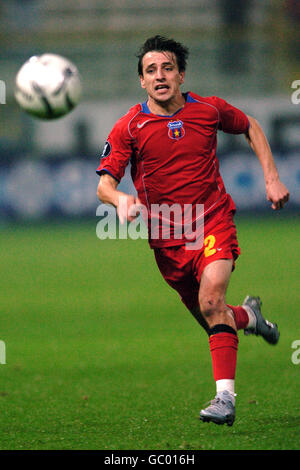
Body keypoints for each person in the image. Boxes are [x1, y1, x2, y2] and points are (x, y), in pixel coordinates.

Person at [96, 35, 289, 426]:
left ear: (181, 74)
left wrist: (271, 178)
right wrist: (119, 200)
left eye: (167, 68)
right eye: (151, 70)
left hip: (213, 221)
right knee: (214, 315)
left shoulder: (209, 110)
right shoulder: (129, 127)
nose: (160, 76)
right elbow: (104, 184)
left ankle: (224, 399)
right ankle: (250, 317)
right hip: (167, 243)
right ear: (142, 82)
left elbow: (250, 126)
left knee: (211, 300)